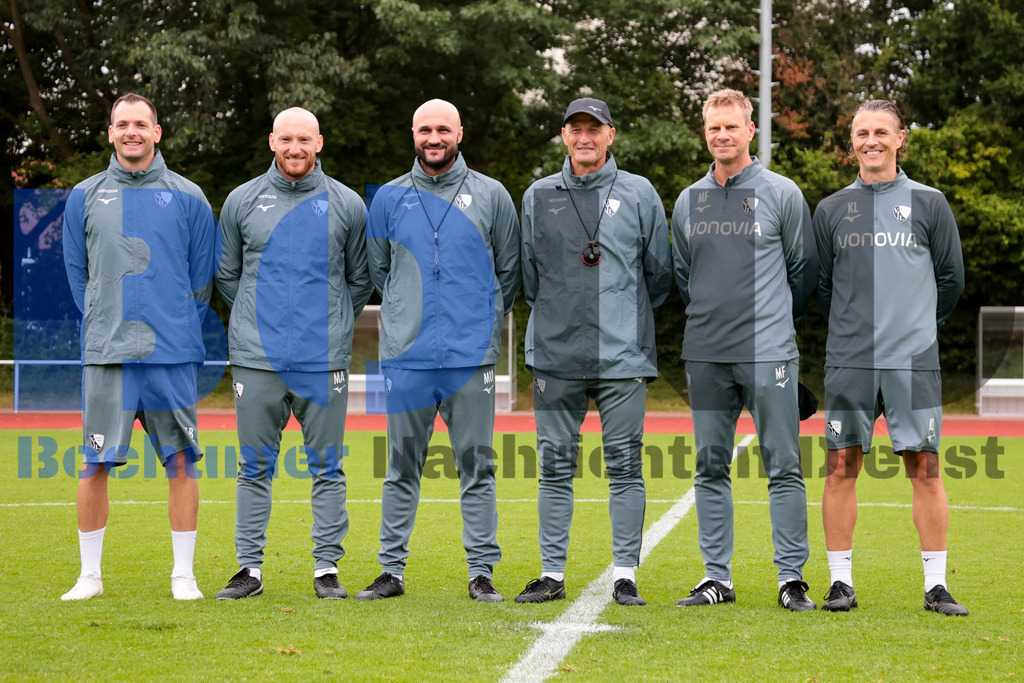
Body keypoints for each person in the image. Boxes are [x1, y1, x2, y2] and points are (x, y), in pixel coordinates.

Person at [357, 99, 520, 602]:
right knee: (401, 466)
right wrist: (409, 312)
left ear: (460, 134)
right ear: (413, 134)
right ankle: (392, 571)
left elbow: (509, 274)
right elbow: (378, 272)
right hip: (407, 355)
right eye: (425, 129)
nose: (434, 137)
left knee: (477, 467)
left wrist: (477, 321)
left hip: (470, 357)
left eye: (443, 129)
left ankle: (482, 572)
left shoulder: (492, 195)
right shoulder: (386, 198)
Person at [61, 93, 219, 601]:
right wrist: (106, 321)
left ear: (157, 132)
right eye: (122, 124)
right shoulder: (84, 196)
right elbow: (77, 275)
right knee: (94, 463)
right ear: (110, 133)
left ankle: (184, 576)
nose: (131, 131)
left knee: (181, 461)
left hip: (170, 353)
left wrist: (172, 324)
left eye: (141, 124)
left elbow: (201, 278)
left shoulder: (190, 195)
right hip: (107, 353)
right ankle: (89, 577)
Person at [515, 97, 672, 606]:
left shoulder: (640, 192)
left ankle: (625, 574)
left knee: (625, 465)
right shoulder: (539, 194)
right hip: (555, 355)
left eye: (594, 128)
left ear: (610, 134)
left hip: (621, 357)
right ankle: (551, 574)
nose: (585, 137)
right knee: (554, 467)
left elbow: (660, 275)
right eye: (576, 128)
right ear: (564, 134)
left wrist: (623, 317)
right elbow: (529, 277)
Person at [813, 100, 967, 616]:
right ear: (851, 141)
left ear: (901, 139)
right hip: (850, 362)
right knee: (840, 468)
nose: (871, 140)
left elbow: (951, 281)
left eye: (882, 131)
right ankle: (840, 583)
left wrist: (917, 328)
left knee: (925, 469)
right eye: (862, 132)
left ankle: (936, 586)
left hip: (912, 362)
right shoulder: (832, 208)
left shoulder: (930, 203)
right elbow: (822, 288)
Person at [213, 107, 371, 600]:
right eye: (286, 139)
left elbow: (360, 279)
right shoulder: (242, 200)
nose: (295, 148)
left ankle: (326, 569)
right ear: (272, 141)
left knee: (327, 466)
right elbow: (227, 275)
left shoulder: (347, 203)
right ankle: (250, 570)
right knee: (253, 466)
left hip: (322, 360)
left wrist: (328, 322)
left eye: (304, 139)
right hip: (257, 359)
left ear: (319, 143)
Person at [671, 89, 818, 611]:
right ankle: (717, 579)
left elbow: (803, 273)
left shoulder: (782, 193)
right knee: (710, 466)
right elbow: (687, 275)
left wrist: (775, 324)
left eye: (731, 126)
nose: (722, 135)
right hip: (706, 353)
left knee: (783, 464)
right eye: (714, 128)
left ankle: (791, 578)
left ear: (750, 130)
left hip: (769, 351)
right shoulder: (689, 199)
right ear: (705, 133)